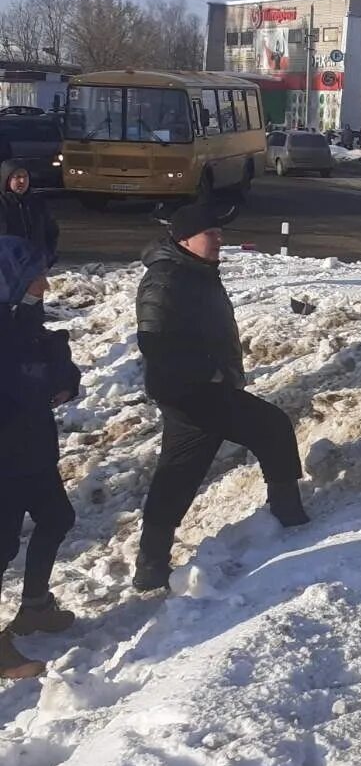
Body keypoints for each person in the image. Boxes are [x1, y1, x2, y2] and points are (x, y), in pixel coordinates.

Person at [134, 205, 309, 591]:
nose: (219, 239)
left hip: (196, 391)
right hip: (194, 393)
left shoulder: (193, 270)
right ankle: (289, 518)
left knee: (177, 475)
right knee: (273, 428)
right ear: (184, 239)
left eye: (217, 232)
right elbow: (154, 343)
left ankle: (150, 565)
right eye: (210, 233)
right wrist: (209, 374)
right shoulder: (166, 279)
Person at [0, 236, 80, 680]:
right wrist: (48, 374)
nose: (44, 284)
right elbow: (26, 381)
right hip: (5, 457)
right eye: (34, 276)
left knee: (56, 518)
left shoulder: (22, 319)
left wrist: (61, 374)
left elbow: (57, 366)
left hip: (32, 448)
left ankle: (33, 608)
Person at [0, 161, 60, 265]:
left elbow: (51, 231)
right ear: (7, 179)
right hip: (7, 267)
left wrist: (48, 255)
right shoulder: (2, 204)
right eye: (17, 177)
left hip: (34, 265)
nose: (22, 181)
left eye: (25, 176)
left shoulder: (36, 202)